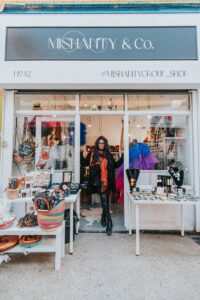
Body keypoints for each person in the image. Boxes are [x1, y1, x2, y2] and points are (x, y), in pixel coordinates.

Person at [80, 136, 123, 235]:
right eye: (100, 143)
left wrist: (124, 157)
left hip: (106, 181)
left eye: (103, 143)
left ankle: (109, 222)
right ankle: (104, 218)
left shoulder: (108, 154)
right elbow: (84, 162)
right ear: (97, 144)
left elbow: (115, 165)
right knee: (104, 201)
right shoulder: (92, 153)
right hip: (96, 182)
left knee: (105, 202)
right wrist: (80, 153)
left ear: (105, 144)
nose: (101, 144)